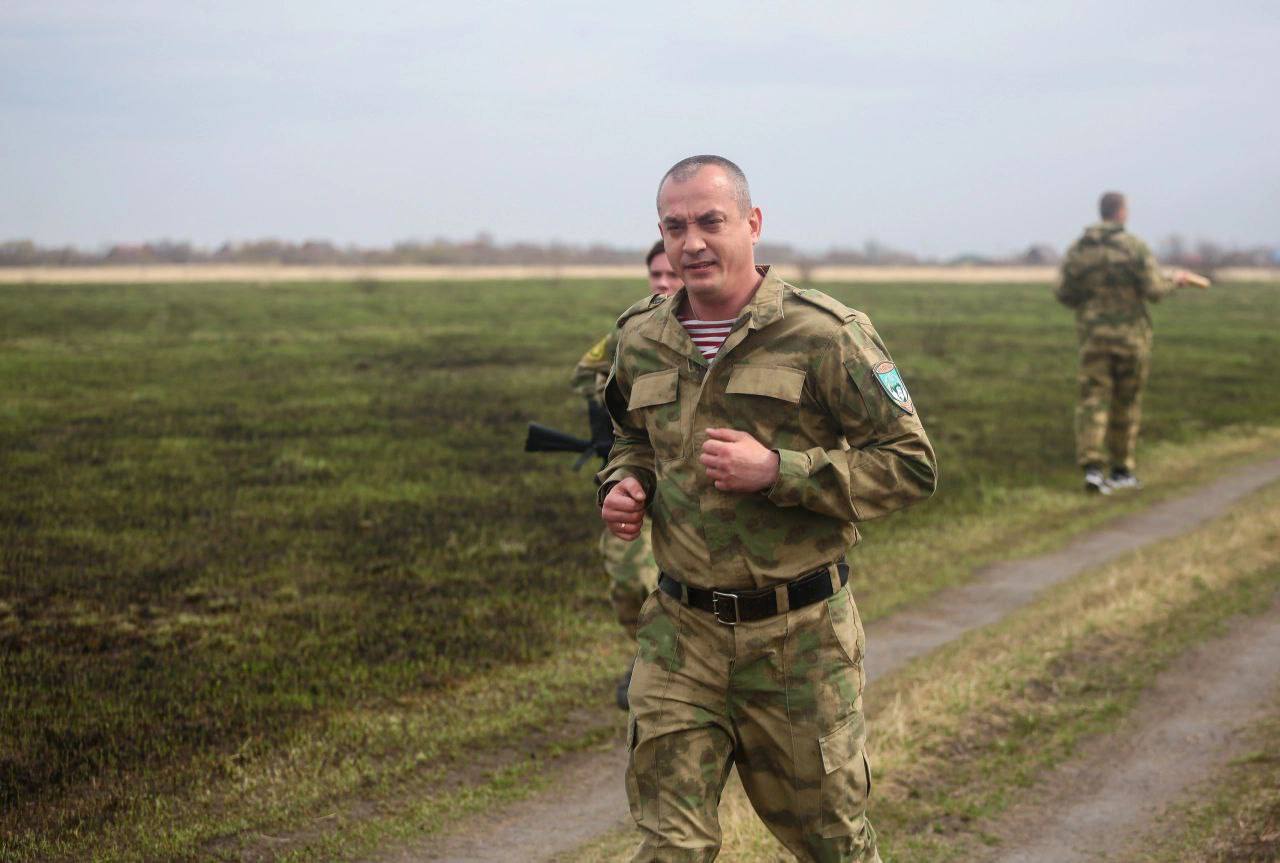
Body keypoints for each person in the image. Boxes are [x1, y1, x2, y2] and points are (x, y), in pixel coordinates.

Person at [598, 155, 936, 862]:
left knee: (831, 845)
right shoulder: (639, 338)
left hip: (800, 641)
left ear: (752, 224)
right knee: (670, 847)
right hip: (680, 634)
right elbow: (630, 436)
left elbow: (910, 464)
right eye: (675, 225)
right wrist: (624, 483)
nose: (691, 242)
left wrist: (779, 470)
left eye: (710, 222)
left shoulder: (825, 335)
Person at [571, 240, 681, 710]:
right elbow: (588, 373)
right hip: (637, 478)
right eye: (655, 274)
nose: (662, 283)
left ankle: (670, 667)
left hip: (693, 482)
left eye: (670, 274)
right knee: (629, 578)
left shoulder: (714, 330)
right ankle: (653, 655)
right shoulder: (632, 332)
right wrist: (608, 430)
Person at [1055, 191, 1201, 494]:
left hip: (1094, 338)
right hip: (1131, 339)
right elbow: (1154, 290)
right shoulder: (1134, 247)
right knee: (1126, 402)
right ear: (1120, 213)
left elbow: (1063, 293)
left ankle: (1093, 470)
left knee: (1092, 401)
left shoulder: (1080, 249)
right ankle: (1121, 470)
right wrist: (1176, 280)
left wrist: (1092, 303)